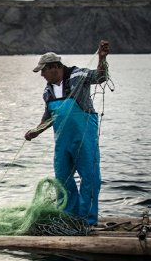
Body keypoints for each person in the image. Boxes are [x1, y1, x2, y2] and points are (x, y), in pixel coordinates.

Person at [25, 40, 110, 225]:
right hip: (62, 142)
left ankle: (87, 220)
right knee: (62, 177)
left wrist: (102, 59)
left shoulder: (78, 75)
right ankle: (69, 216)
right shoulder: (47, 91)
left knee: (90, 177)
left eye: (43, 70)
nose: (41, 75)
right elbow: (49, 116)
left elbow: (100, 77)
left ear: (55, 67)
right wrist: (35, 131)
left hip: (84, 137)